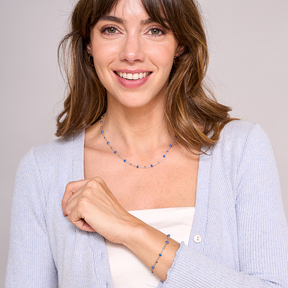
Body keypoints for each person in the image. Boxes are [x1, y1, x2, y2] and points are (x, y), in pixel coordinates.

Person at [5, 0, 288, 287]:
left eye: (155, 30)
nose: (131, 54)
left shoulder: (241, 150)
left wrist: (131, 230)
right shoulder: (43, 172)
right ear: (88, 43)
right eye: (111, 29)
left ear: (181, 44)